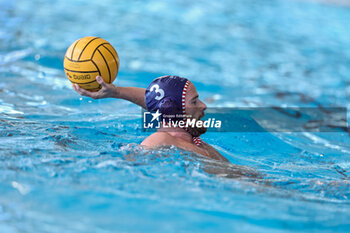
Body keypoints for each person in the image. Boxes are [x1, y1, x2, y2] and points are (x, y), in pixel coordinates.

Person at [72, 75, 230, 162]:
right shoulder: (162, 140)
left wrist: (116, 91)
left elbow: (163, 104)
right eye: (194, 101)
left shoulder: (194, 142)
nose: (203, 106)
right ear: (174, 111)